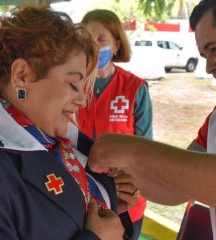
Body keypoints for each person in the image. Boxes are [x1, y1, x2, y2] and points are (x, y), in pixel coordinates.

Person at [0, 7, 129, 240]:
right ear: (21, 75)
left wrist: (113, 198)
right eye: (73, 84)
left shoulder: (71, 146)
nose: (81, 99)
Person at [88, 0, 216, 239]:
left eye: (215, 49)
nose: (208, 68)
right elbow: (174, 189)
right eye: (204, 55)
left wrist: (134, 151)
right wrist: (124, 177)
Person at [77, 9, 153, 240]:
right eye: (88, 40)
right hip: (81, 194)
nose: (94, 47)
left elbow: (147, 149)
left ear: (116, 45)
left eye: (102, 40)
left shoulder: (135, 88)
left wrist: (133, 185)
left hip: (126, 197)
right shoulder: (72, 84)